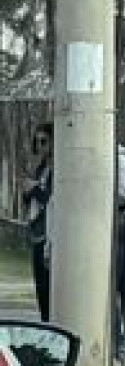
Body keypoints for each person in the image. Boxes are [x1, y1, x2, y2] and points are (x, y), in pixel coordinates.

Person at [23, 123, 51, 321]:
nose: (40, 146)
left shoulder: (58, 168)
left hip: (50, 231)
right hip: (37, 230)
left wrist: (34, 189)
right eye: (37, 142)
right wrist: (28, 191)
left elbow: (51, 198)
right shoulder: (41, 168)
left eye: (44, 141)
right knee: (40, 285)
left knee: (48, 284)